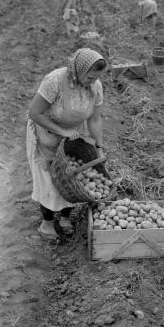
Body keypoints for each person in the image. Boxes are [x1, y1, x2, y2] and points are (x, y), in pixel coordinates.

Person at [27, 48, 107, 240]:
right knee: (50, 180)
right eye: (90, 77)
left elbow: (94, 120)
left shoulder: (95, 87)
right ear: (79, 69)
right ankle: (46, 224)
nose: (93, 82)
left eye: (96, 78)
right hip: (46, 134)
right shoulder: (54, 81)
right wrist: (62, 132)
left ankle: (64, 217)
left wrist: (99, 146)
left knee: (72, 179)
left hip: (71, 138)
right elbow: (34, 113)